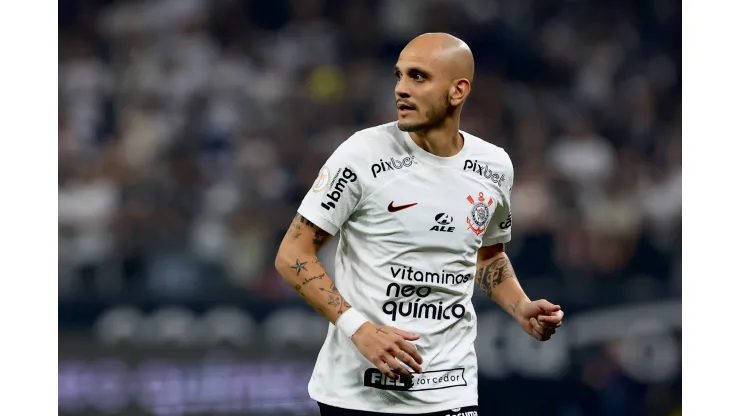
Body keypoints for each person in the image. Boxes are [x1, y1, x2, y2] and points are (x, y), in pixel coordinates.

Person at [275, 33, 564, 416]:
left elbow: (487, 256)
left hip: (451, 389)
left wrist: (521, 306)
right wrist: (358, 329)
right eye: (399, 77)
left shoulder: (494, 167)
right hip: (358, 393)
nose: (401, 90)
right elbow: (292, 254)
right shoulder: (362, 154)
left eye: (418, 77)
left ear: (458, 90)